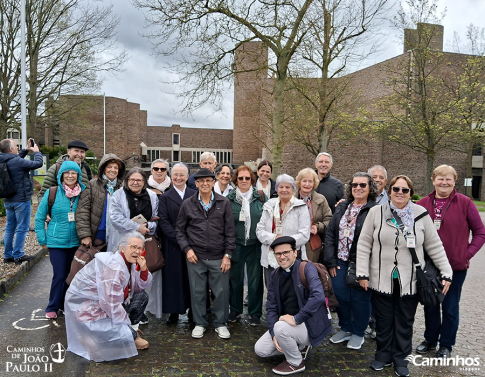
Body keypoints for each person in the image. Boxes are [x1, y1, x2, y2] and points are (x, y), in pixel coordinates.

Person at [356, 175, 453, 377]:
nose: (400, 193)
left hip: (410, 281)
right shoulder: (376, 212)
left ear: (410, 193)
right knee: (383, 321)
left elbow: (434, 246)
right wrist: (362, 273)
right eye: (396, 189)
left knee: (404, 321)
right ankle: (383, 355)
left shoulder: (421, 214)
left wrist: (447, 272)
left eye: (405, 190)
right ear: (389, 191)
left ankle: (401, 358)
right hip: (380, 278)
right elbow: (364, 244)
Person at [416, 165, 485, 358]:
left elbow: (480, 232)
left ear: (454, 181)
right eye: (440, 179)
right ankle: (430, 339)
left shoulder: (465, 203)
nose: (444, 183)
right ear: (433, 179)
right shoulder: (422, 203)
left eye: (448, 179)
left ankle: (446, 344)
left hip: (455, 267)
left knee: (450, 306)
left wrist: (466, 254)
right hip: (429, 266)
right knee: (430, 304)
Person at [64, 233, 152, 362]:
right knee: (126, 337)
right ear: (122, 248)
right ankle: (89, 336)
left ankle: (131, 333)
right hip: (93, 312)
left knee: (141, 297)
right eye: (133, 247)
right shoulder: (113, 267)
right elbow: (110, 304)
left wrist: (143, 269)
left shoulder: (130, 263)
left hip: (112, 307)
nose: (137, 251)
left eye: (140, 248)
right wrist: (125, 327)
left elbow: (139, 289)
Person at [254, 236, 332, 375]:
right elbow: (271, 307)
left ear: (295, 252)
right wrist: (273, 335)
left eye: (286, 252)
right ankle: (299, 346)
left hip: (310, 324)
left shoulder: (307, 267)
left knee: (280, 326)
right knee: (261, 350)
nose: (282, 257)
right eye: (278, 254)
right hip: (289, 326)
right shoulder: (275, 275)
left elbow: (318, 296)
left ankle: (296, 362)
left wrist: (296, 319)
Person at [176, 168, 236, 339]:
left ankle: (221, 323)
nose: (204, 184)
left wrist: (227, 255)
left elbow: (230, 232)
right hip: (196, 256)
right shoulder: (188, 203)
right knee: (197, 292)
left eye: (208, 180)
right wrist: (187, 250)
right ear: (196, 183)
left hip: (219, 256)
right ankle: (200, 323)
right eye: (201, 181)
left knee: (221, 292)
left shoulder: (223, 203)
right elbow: (179, 231)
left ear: (213, 182)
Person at [323, 172, 378, 350]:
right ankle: (345, 327)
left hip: (361, 263)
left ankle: (359, 332)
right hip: (340, 260)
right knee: (340, 296)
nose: (358, 188)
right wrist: (330, 260)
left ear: (370, 188)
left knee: (360, 299)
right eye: (354, 185)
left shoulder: (375, 210)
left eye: (363, 185)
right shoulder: (342, 206)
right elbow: (331, 233)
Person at [34, 161, 86, 319]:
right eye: (66, 172)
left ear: (78, 175)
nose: (70, 176)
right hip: (56, 242)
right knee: (59, 274)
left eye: (73, 173)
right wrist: (42, 240)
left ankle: (66, 304)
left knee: (73, 274)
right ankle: (53, 305)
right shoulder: (53, 192)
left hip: (77, 241)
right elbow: (39, 218)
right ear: (61, 175)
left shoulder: (84, 193)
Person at [109, 167, 160, 319]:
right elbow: (115, 218)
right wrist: (136, 227)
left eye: (139, 180)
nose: (135, 183)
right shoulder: (118, 195)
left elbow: (156, 218)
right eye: (132, 179)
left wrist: (147, 228)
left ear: (144, 182)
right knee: (121, 275)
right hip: (123, 242)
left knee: (141, 274)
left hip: (144, 243)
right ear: (126, 181)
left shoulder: (152, 196)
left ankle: (139, 310)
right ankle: (119, 309)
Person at [256, 174, 311, 288]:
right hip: (271, 255)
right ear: (277, 189)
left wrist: (283, 243)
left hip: (292, 257)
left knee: (291, 291)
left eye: (287, 187)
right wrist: (274, 239)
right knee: (272, 289)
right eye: (281, 187)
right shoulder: (268, 206)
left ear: (293, 189)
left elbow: (304, 235)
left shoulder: (301, 207)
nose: (284, 190)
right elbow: (259, 231)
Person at [158, 163, 197, 324]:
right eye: (176, 175)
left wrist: (191, 240)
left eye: (182, 175)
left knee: (192, 279)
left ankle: (193, 312)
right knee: (173, 278)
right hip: (172, 245)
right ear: (171, 176)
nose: (179, 178)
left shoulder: (194, 194)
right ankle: (173, 311)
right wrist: (180, 240)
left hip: (193, 244)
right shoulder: (165, 197)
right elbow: (164, 222)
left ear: (188, 177)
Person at [227, 166, 265, 326]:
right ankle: (235, 309)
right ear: (235, 180)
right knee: (235, 280)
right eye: (240, 178)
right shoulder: (229, 199)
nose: (243, 181)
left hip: (254, 244)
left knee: (255, 281)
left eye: (247, 178)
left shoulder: (261, 198)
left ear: (252, 180)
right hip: (236, 244)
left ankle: (255, 312)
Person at [0, 138, 42, 265]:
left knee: (9, 227)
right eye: (16, 147)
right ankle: (18, 254)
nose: (18, 148)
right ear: (11, 149)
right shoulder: (17, 161)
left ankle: (8, 255)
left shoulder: (3, 159)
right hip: (21, 200)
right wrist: (36, 152)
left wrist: (25, 150)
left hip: (8, 200)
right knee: (22, 228)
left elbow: (15, 159)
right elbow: (38, 164)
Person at [76, 154, 126, 251]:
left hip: (118, 235)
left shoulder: (123, 187)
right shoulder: (92, 185)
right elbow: (83, 211)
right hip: (98, 235)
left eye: (116, 168)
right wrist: (85, 235)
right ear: (103, 168)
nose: (113, 170)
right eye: (109, 167)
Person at [295, 168, 332, 263]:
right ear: (299, 182)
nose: (307, 184)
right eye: (304, 181)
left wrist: (317, 226)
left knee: (308, 272)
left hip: (312, 244)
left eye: (310, 181)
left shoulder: (321, 199)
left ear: (314, 183)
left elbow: (329, 219)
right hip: (293, 242)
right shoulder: (291, 199)